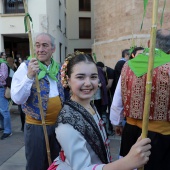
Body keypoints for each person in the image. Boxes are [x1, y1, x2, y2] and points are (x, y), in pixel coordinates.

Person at [48, 51, 151, 170]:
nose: (88, 83)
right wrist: (127, 162)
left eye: (93, 77)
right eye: (80, 77)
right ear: (68, 80)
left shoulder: (89, 105)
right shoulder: (68, 122)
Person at [110, 29, 170, 170]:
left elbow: (118, 97)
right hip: (161, 136)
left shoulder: (129, 64)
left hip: (131, 130)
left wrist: (116, 122)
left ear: (150, 43)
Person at [11, 33, 65, 170]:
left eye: (45, 45)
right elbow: (17, 98)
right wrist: (29, 76)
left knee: (57, 163)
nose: (40, 49)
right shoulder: (25, 67)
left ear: (53, 49)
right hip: (36, 127)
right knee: (36, 165)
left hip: (58, 126)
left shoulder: (58, 69)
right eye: (38, 45)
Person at [96, 61, 115, 136]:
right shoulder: (103, 71)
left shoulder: (110, 71)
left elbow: (109, 85)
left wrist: (103, 91)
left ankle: (108, 130)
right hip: (103, 95)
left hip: (110, 94)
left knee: (105, 112)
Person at [0, 52, 12, 140]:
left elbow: (3, 77)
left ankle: (8, 131)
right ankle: (3, 126)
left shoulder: (3, 64)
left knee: (4, 110)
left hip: (1, 88)